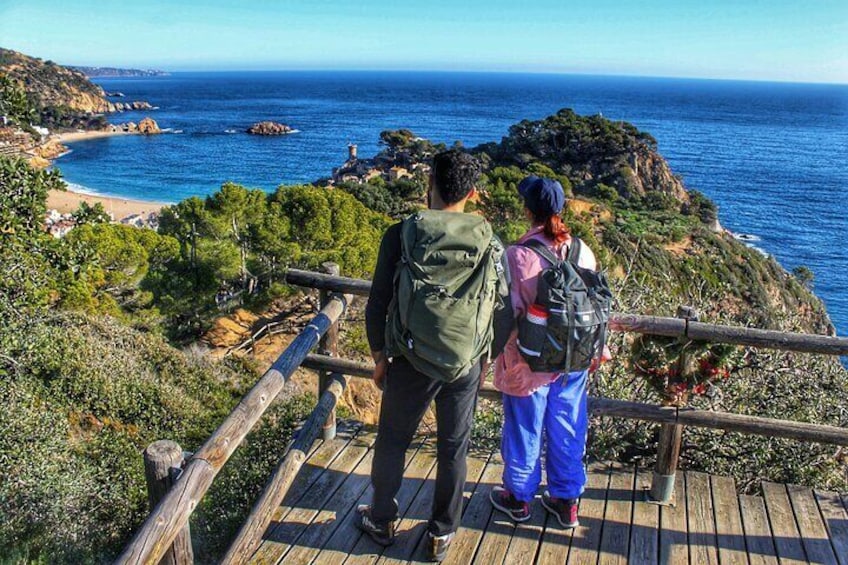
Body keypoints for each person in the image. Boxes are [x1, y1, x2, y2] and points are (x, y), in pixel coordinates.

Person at [358, 149, 502, 562]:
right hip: (466, 361)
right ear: (472, 193)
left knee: (392, 441)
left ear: (429, 186)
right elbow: (503, 306)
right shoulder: (491, 242)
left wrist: (379, 355)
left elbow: (378, 303)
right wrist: (485, 355)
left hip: (409, 357)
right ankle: (442, 533)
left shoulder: (401, 233)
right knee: (454, 448)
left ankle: (382, 518)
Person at [489, 175, 610, 529]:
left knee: (524, 428)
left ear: (527, 210)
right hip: (574, 358)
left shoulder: (518, 254)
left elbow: (507, 312)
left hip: (530, 361)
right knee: (569, 426)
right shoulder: (582, 250)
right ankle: (566, 500)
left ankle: (519, 498)